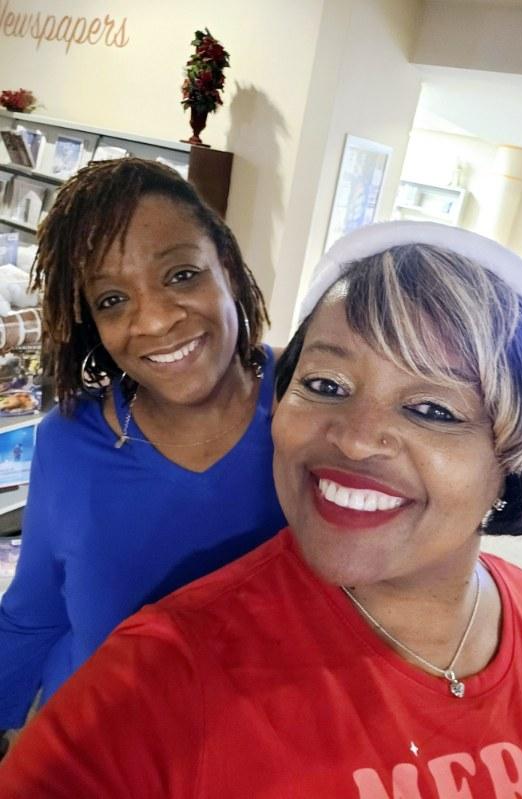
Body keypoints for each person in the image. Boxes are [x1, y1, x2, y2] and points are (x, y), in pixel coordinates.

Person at [2, 221, 522, 798]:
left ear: (518, 456)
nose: (356, 439)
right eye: (328, 385)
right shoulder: (162, 677)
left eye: (433, 410)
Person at [0, 158, 286, 744]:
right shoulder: (71, 441)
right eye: (112, 300)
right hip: (93, 756)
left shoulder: (312, 404)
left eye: (181, 274)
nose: (154, 320)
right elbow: (34, 614)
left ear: (225, 265)